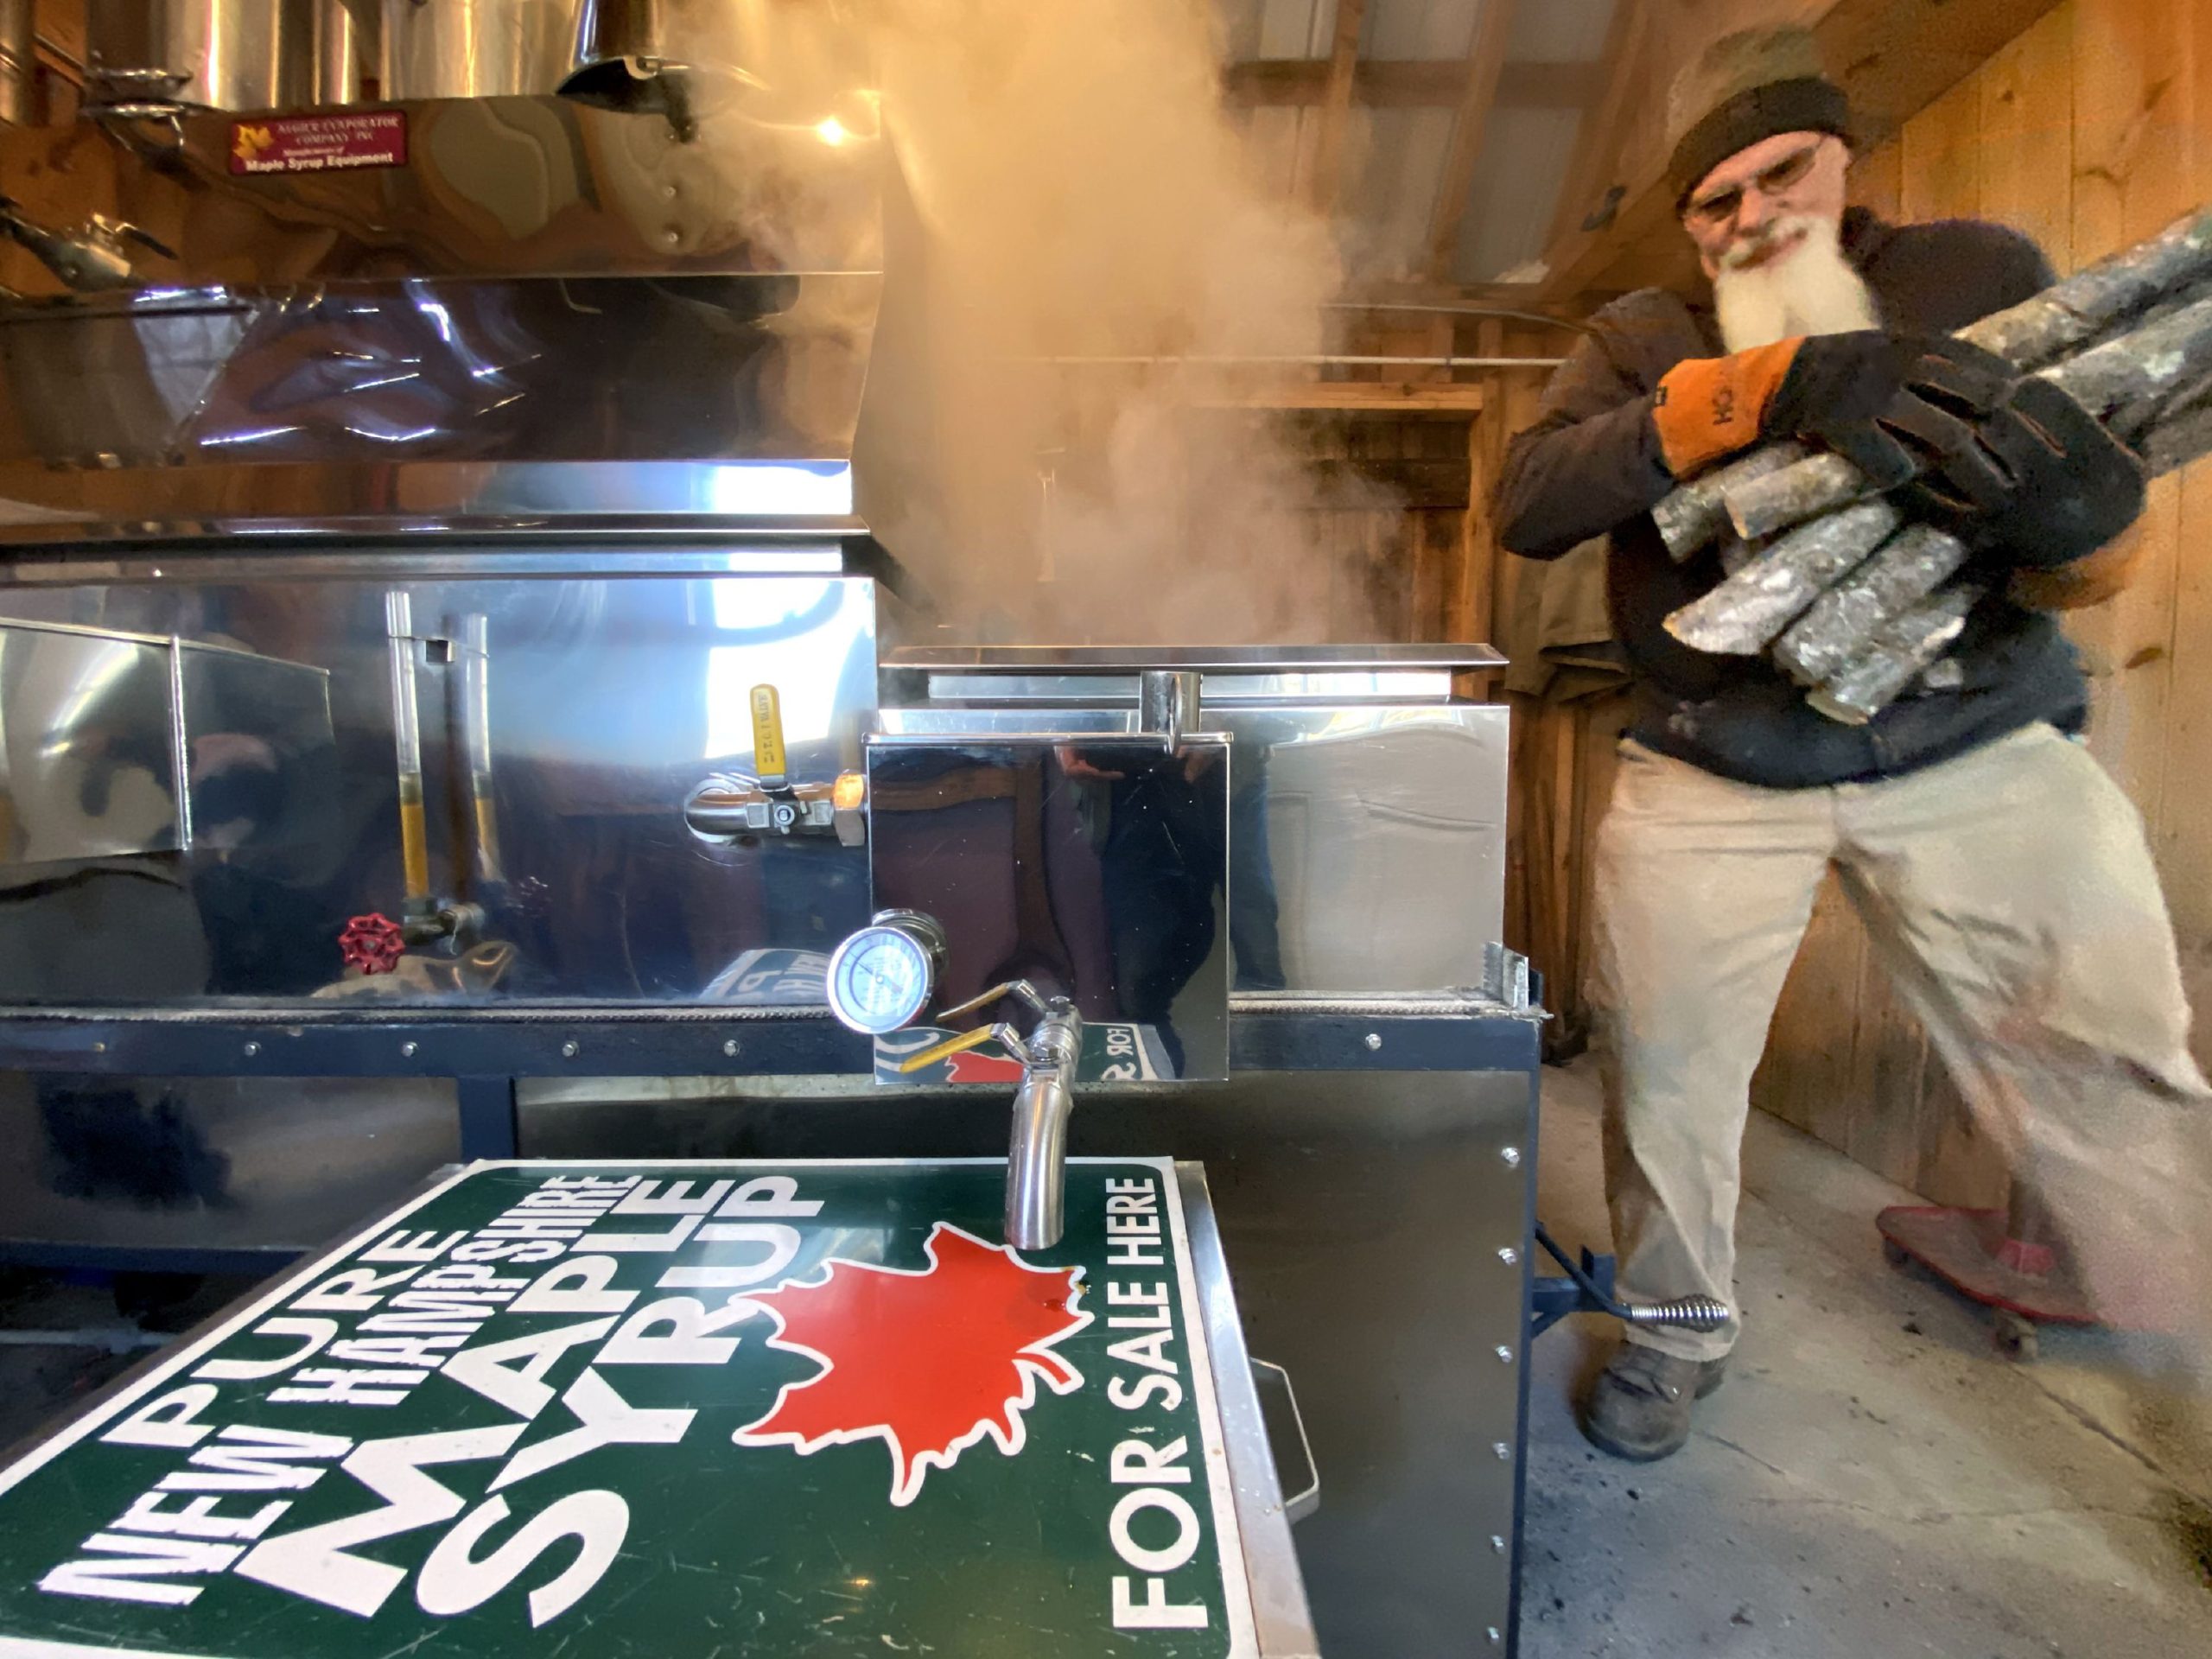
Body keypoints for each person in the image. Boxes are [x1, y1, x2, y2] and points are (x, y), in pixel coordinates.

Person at [1495, 25, 2212, 1461]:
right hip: (1715, 762)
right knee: (1668, 1074)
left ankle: (2188, 1332)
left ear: (1841, 159)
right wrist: (1759, 394)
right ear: (1689, 221)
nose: (1757, 217)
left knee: (2120, 1058)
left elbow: (2098, 536)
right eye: (1719, 200)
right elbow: (1533, 495)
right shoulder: (1641, 335)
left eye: (1782, 173)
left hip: (1978, 744)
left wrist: (2086, 534)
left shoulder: (1978, 276)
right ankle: (1675, 1333)